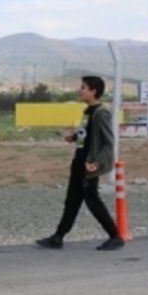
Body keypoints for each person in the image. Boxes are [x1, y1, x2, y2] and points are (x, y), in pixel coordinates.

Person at [35, 76, 125, 251]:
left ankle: (115, 236)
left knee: (93, 201)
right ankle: (58, 237)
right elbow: (87, 134)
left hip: (88, 165)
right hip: (79, 162)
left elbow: (109, 142)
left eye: (83, 87)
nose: (80, 90)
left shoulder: (101, 113)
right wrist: (75, 137)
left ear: (93, 91)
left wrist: (97, 163)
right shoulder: (88, 111)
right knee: (72, 201)